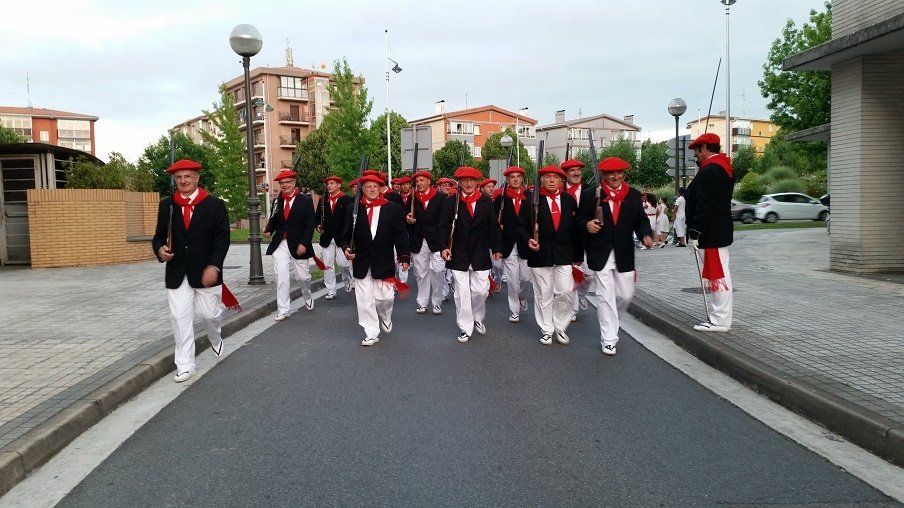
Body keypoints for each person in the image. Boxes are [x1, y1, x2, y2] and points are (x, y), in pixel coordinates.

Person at [152, 159, 233, 383]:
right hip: (177, 271)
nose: (183, 181)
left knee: (209, 315)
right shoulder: (167, 205)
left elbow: (222, 240)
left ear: (197, 178)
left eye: (187, 176)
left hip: (206, 271)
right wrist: (160, 250)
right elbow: (158, 236)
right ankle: (185, 365)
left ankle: (215, 337)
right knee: (179, 318)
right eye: (178, 177)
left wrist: (214, 266)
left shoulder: (214, 204)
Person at [578, 157, 654, 356]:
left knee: (625, 295)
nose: (615, 176)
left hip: (624, 252)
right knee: (605, 296)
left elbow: (641, 220)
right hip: (599, 252)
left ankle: (613, 322)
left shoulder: (633, 195)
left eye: (619, 172)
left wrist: (646, 235)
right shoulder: (590, 194)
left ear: (624, 174)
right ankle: (609, 338)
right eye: (611, 173)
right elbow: (579, 220)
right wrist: (587, 225)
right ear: (604, 175)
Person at [341, 174, 411, 346]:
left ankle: (385, 315)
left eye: (375, 186)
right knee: (364, 299)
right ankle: (371, 332)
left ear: (380, 189)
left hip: (384, 260)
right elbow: (345, 234)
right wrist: (346, 248)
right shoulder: (353, 209)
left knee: (385, 298)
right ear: (362, 189)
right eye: (368, 187)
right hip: (361, 260)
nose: (372, 189)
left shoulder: (393, 209)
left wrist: (404, 256)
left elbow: (400, 234)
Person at [441, 166, 503, 343]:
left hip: (480, 252)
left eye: (472, 180)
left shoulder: (486, 201)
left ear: (477, 183)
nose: (468, 184)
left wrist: (497, 248)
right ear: (459, 182)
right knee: (461, 293)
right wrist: (443, 247)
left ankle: (477, 317)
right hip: (457, 252)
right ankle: (465, 327)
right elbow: (443, 227)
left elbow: (493, 227)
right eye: (465, 180)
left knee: (480, 291)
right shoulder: (451, 202)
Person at [525, 166, 581, 345]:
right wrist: (527, 239)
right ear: (541, 180)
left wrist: (578, 254)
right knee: (544, 294)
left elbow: (576, 229)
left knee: (565, 291)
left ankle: (560, 326)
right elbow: (520, 226)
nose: (551, 180)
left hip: (563, 254)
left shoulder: (569, 200)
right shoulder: (532, 201)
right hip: (539, 254)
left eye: (555, 177)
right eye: (547, 177)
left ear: (561, 181)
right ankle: (547, 329)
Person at [685, 132, 734, 333]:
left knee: (717, 276)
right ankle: (719, 317)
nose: (695, 155)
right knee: (718, 274)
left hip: (710, 233)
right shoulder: (721, 167)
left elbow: (704, 205)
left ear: (704, 148)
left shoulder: (710, 171)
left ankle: (720, 320)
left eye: (696, 151)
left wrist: (695, 233)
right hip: (716, 231)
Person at [264, 169, 316, 321]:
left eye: (288, 182)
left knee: (303, 277)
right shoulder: (277, 201)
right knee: (281, 276)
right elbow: (274, 219)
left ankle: (307, 294)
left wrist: (304, 243)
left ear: (294, 182)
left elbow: (309, 225)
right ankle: (284, 309)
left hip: (299, 243)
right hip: (280, 243)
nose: (285, 185)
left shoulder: (305, 200)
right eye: (282, 183)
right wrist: (269, 230)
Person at [407, 170, 448, 315]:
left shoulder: (441, 197)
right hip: (419, 240)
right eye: (417, 181)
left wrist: (445, 241)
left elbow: (445, 220)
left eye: (422, 180)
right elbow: (406, 216)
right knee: (421, 273)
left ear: (429, 182)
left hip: (437, 240)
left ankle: (436, 302)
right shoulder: (412, 198)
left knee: (438, 271)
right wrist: (408, 219)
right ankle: (422, 302)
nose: (419, 183)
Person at [496, 166, 531, 323]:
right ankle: (514, 310)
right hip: (508, 243)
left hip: (525, 243)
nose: (515, 179)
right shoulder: (501, 199)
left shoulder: (530, 197)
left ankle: (522, 296)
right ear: (508, 180)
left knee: (526, 277)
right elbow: (494, 222)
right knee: (511, 280)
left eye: (518, 176)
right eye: (512, 177)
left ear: (522, 179)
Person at [561, 158, 593, 320]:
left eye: (578, 170)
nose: (576, 173)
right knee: (571, 273)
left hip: (587, 238)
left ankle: (582, 294)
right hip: (568, 238)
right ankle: (572, 309)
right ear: (565, 174)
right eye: (572, 170)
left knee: (589, 275)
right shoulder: (560, 191)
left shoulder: (591, 191)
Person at [315, 175, 354, 299]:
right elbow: (317, 217)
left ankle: (347, 279)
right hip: (326, 237)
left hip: (342, 238)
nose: (329, 186)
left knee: (343, 264)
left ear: (339, 185)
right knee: (327, 265)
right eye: (328, 184)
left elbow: (351, 219)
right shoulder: (323, 200)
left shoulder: (347, 200)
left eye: (332, 183)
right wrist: (318, 226)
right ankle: (331, 290)